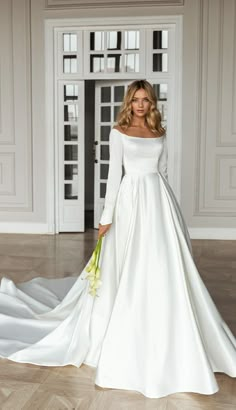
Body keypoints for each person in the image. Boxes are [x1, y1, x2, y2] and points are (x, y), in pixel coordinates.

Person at [0, 80, 235, 399]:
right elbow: (113, 177)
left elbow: (162, 172)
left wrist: (172, 213)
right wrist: (105, 219)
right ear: (129, 102)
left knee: (164, 264)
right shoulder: (119, 131)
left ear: (152, 102)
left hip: (158, 199)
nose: (140, 104)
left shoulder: (159, 132)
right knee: (126, 263)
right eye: (136, 99)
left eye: (146, 99)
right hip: (129, 200)